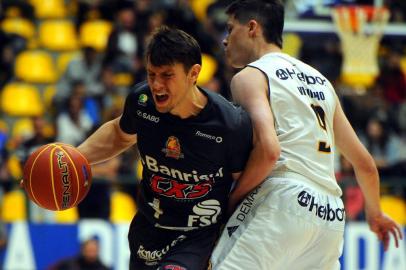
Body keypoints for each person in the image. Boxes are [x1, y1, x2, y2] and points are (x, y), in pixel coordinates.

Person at [210, 1, 403, 269]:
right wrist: (375, 214)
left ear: (252, 28)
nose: (225, 39)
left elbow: (269, 151)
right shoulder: (322, 82)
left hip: (284, 197)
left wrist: (232, 201)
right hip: (331, 214)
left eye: (230, 29)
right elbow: (366, 165)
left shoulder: (251, 76)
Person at [76, 26, 252, 269]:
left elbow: (248, 183)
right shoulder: (142, 102)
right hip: (148, 230)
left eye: (167, 75)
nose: (156, 85)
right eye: (151, 74)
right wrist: (75, 157)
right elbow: (119, 133)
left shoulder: (229, 124)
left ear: (193, 73)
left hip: (197, 236)